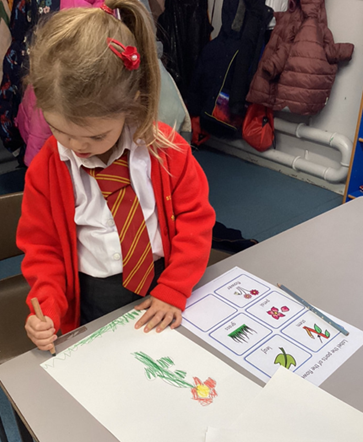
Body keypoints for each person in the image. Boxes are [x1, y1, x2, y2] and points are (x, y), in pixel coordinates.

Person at [16, 0, 215, 353]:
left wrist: (174, 288)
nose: (77, 146)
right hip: (91, 294)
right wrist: (46, 308)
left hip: (162, 282)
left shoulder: (168, 151)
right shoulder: (47, 170)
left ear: (132, 104)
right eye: (59, 130)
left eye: (96, 136)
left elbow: (195, 223)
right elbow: (42, 249)